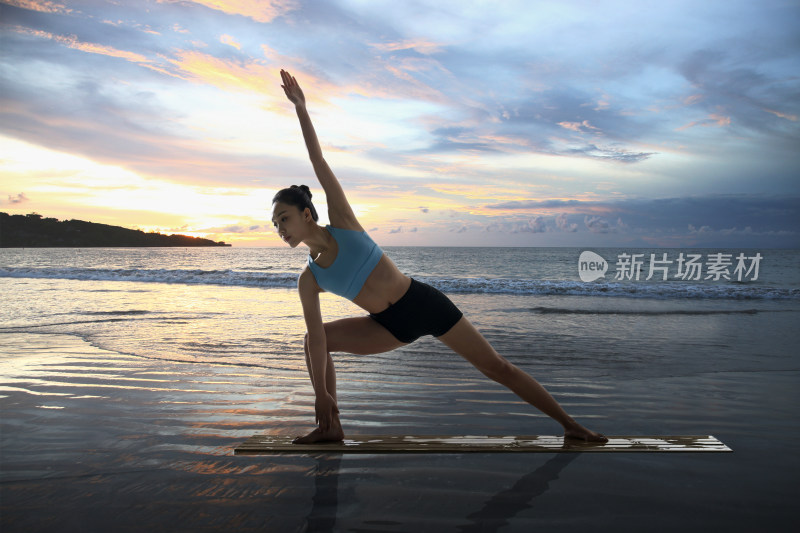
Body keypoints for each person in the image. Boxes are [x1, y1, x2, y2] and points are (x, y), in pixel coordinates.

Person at [274, 69, 607, 444]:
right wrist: (321, 394)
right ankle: (330, 426)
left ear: (306, 214)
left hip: (423, 302)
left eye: (283, 218)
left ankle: (571, 426)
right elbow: (318, 340)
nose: (280, 227)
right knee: (311, 340)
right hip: (386, 326)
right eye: (274, 224)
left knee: (496, 367)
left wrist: (301, 108)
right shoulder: (310, 278)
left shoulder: (343, 223)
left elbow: (318, 161)